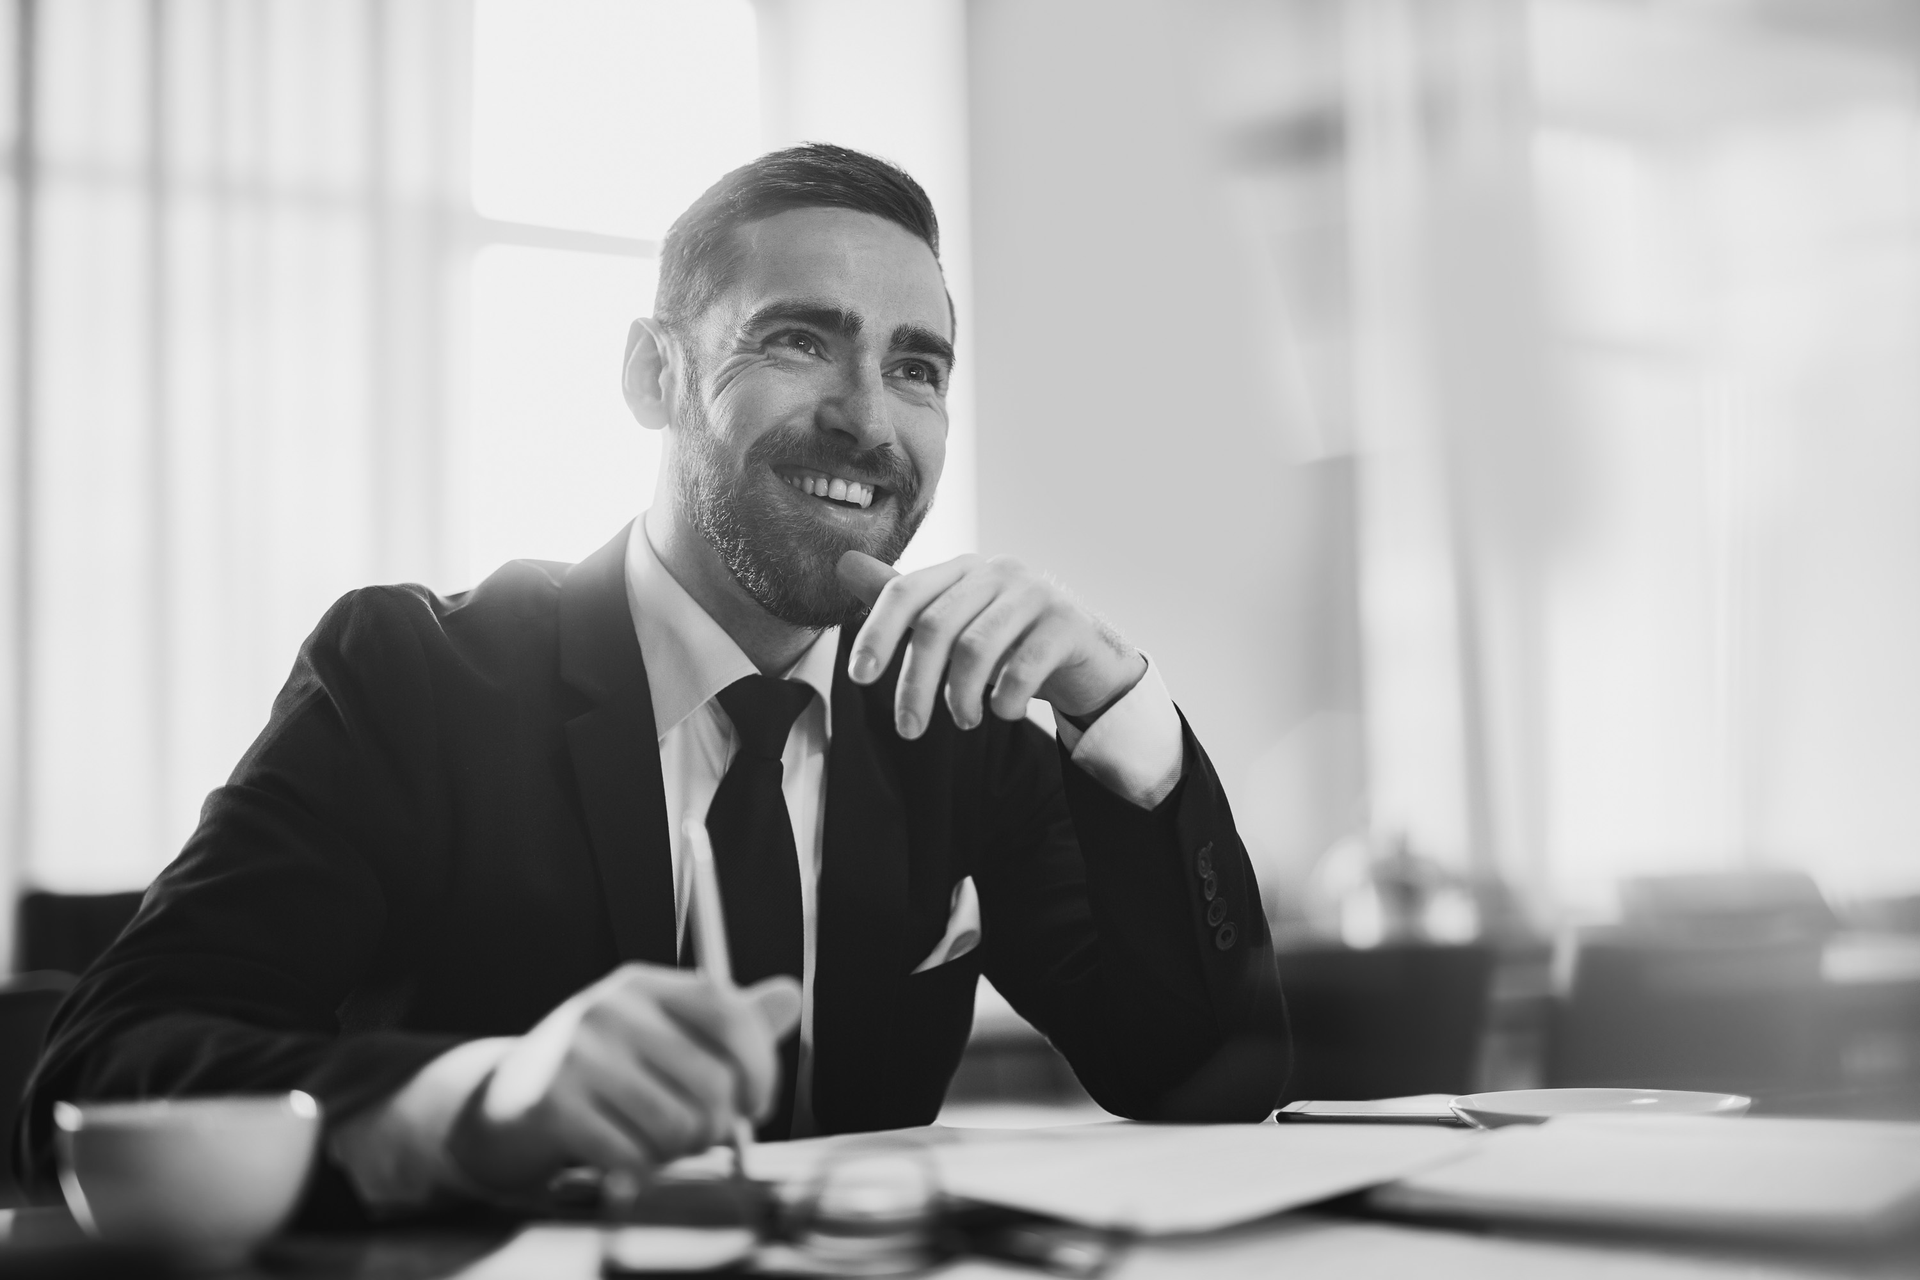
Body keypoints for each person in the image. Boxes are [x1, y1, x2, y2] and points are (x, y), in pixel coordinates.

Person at [17, 144, 1287, 1216]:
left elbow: (1204, 1080)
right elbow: (100, 1069)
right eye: (801, 340)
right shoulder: (411, 680)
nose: (869, 418)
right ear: (652, 374)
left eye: (918, 367)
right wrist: (487, 1095)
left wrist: (1121, 711)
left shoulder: (957, 715)